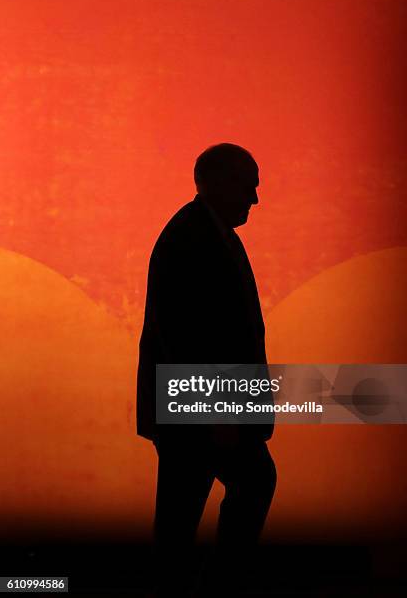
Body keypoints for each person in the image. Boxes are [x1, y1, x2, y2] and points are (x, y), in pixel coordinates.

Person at [137, 143, 276, 596]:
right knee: (247, 484)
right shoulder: (193, 238)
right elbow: (183, 334)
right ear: (217, 181)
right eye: (248, 186)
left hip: (198, 411)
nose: (254, 199)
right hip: (200, 413)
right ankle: (220, 585)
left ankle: (204, 585)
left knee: (181, 516)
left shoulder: (205, 233)